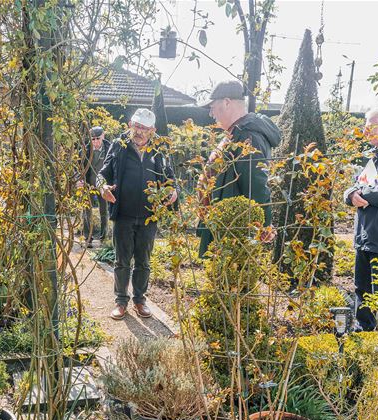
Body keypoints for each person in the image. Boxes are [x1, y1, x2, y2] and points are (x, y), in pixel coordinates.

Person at [97, 108, 177, 320]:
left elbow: (170, 177)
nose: (139, 131)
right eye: (137, 126)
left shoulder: (160, 150)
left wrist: (174, 190)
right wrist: (102, 187)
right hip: (123, 213)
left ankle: (140, 300)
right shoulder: (118, 145)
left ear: (153, 130)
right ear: (130, 125)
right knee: (122, 261)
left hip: (149, 215)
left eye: (144, 128)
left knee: (144, 261)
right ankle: (121, 301)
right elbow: (101, 174)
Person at [197, 81, 280, 258]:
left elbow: (256, 183)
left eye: (213, 107)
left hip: (234, 230)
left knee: (232, 282)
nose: (211, 114)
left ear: (227, 102)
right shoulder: (234, 133)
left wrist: (264, 225)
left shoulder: (248, 137)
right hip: (222, 224)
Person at [343, 106, 378, 331]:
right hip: (364, 234)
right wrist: (350, 194)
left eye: (369, 126)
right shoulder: (375, 156)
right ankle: (363, 331)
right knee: (361, 288)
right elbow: (357, 184)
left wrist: (362, 195)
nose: (365, 132)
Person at [78, 126, 111, 247]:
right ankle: (88, 238)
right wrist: (79, 180)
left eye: (98, 138)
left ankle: (103, 238)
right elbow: (79, 167)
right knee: (87, 210)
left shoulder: (110, 149)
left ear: (103, 136)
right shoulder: (84, 151)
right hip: (89, 184)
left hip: (104, 185)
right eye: (93, 139)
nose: (96, 141)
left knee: (104, 211)